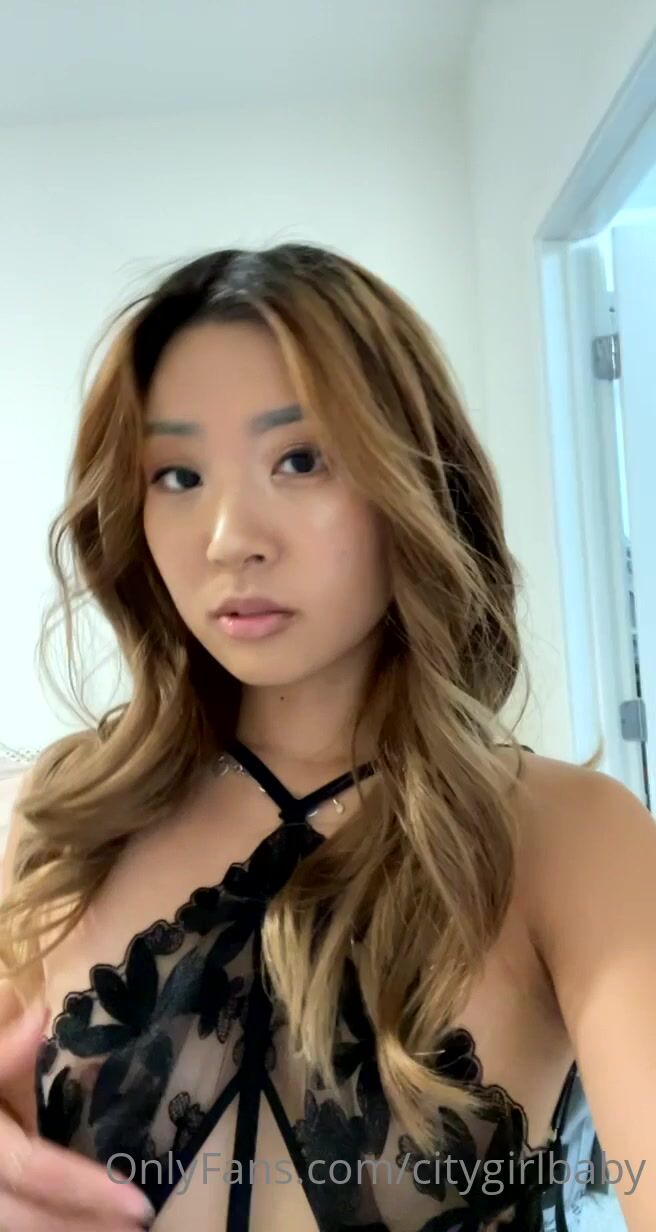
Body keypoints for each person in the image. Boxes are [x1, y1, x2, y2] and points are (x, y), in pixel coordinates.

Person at [0, 243, 653, 1232]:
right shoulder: (63, 824)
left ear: (415, 477)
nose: (230, 537)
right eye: (176, 473)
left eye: (300, 460)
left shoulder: (566, 836)